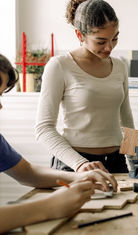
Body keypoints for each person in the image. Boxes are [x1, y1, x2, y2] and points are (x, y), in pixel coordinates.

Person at [0, 54, 117, 233]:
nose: (0, 106)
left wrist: (79, 176)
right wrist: (48, 207)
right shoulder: (59, 65)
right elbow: (44, 128)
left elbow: (27, 172)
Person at [35, 0, 134, 173]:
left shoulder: (120, 66)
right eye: (101, 41)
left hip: (116, 162)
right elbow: (43, 129)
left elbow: (126, 121)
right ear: (80, 35)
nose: (109, 48)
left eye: (115, 39)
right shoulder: (59, 66)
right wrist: (80, 164)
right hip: (75, 164)